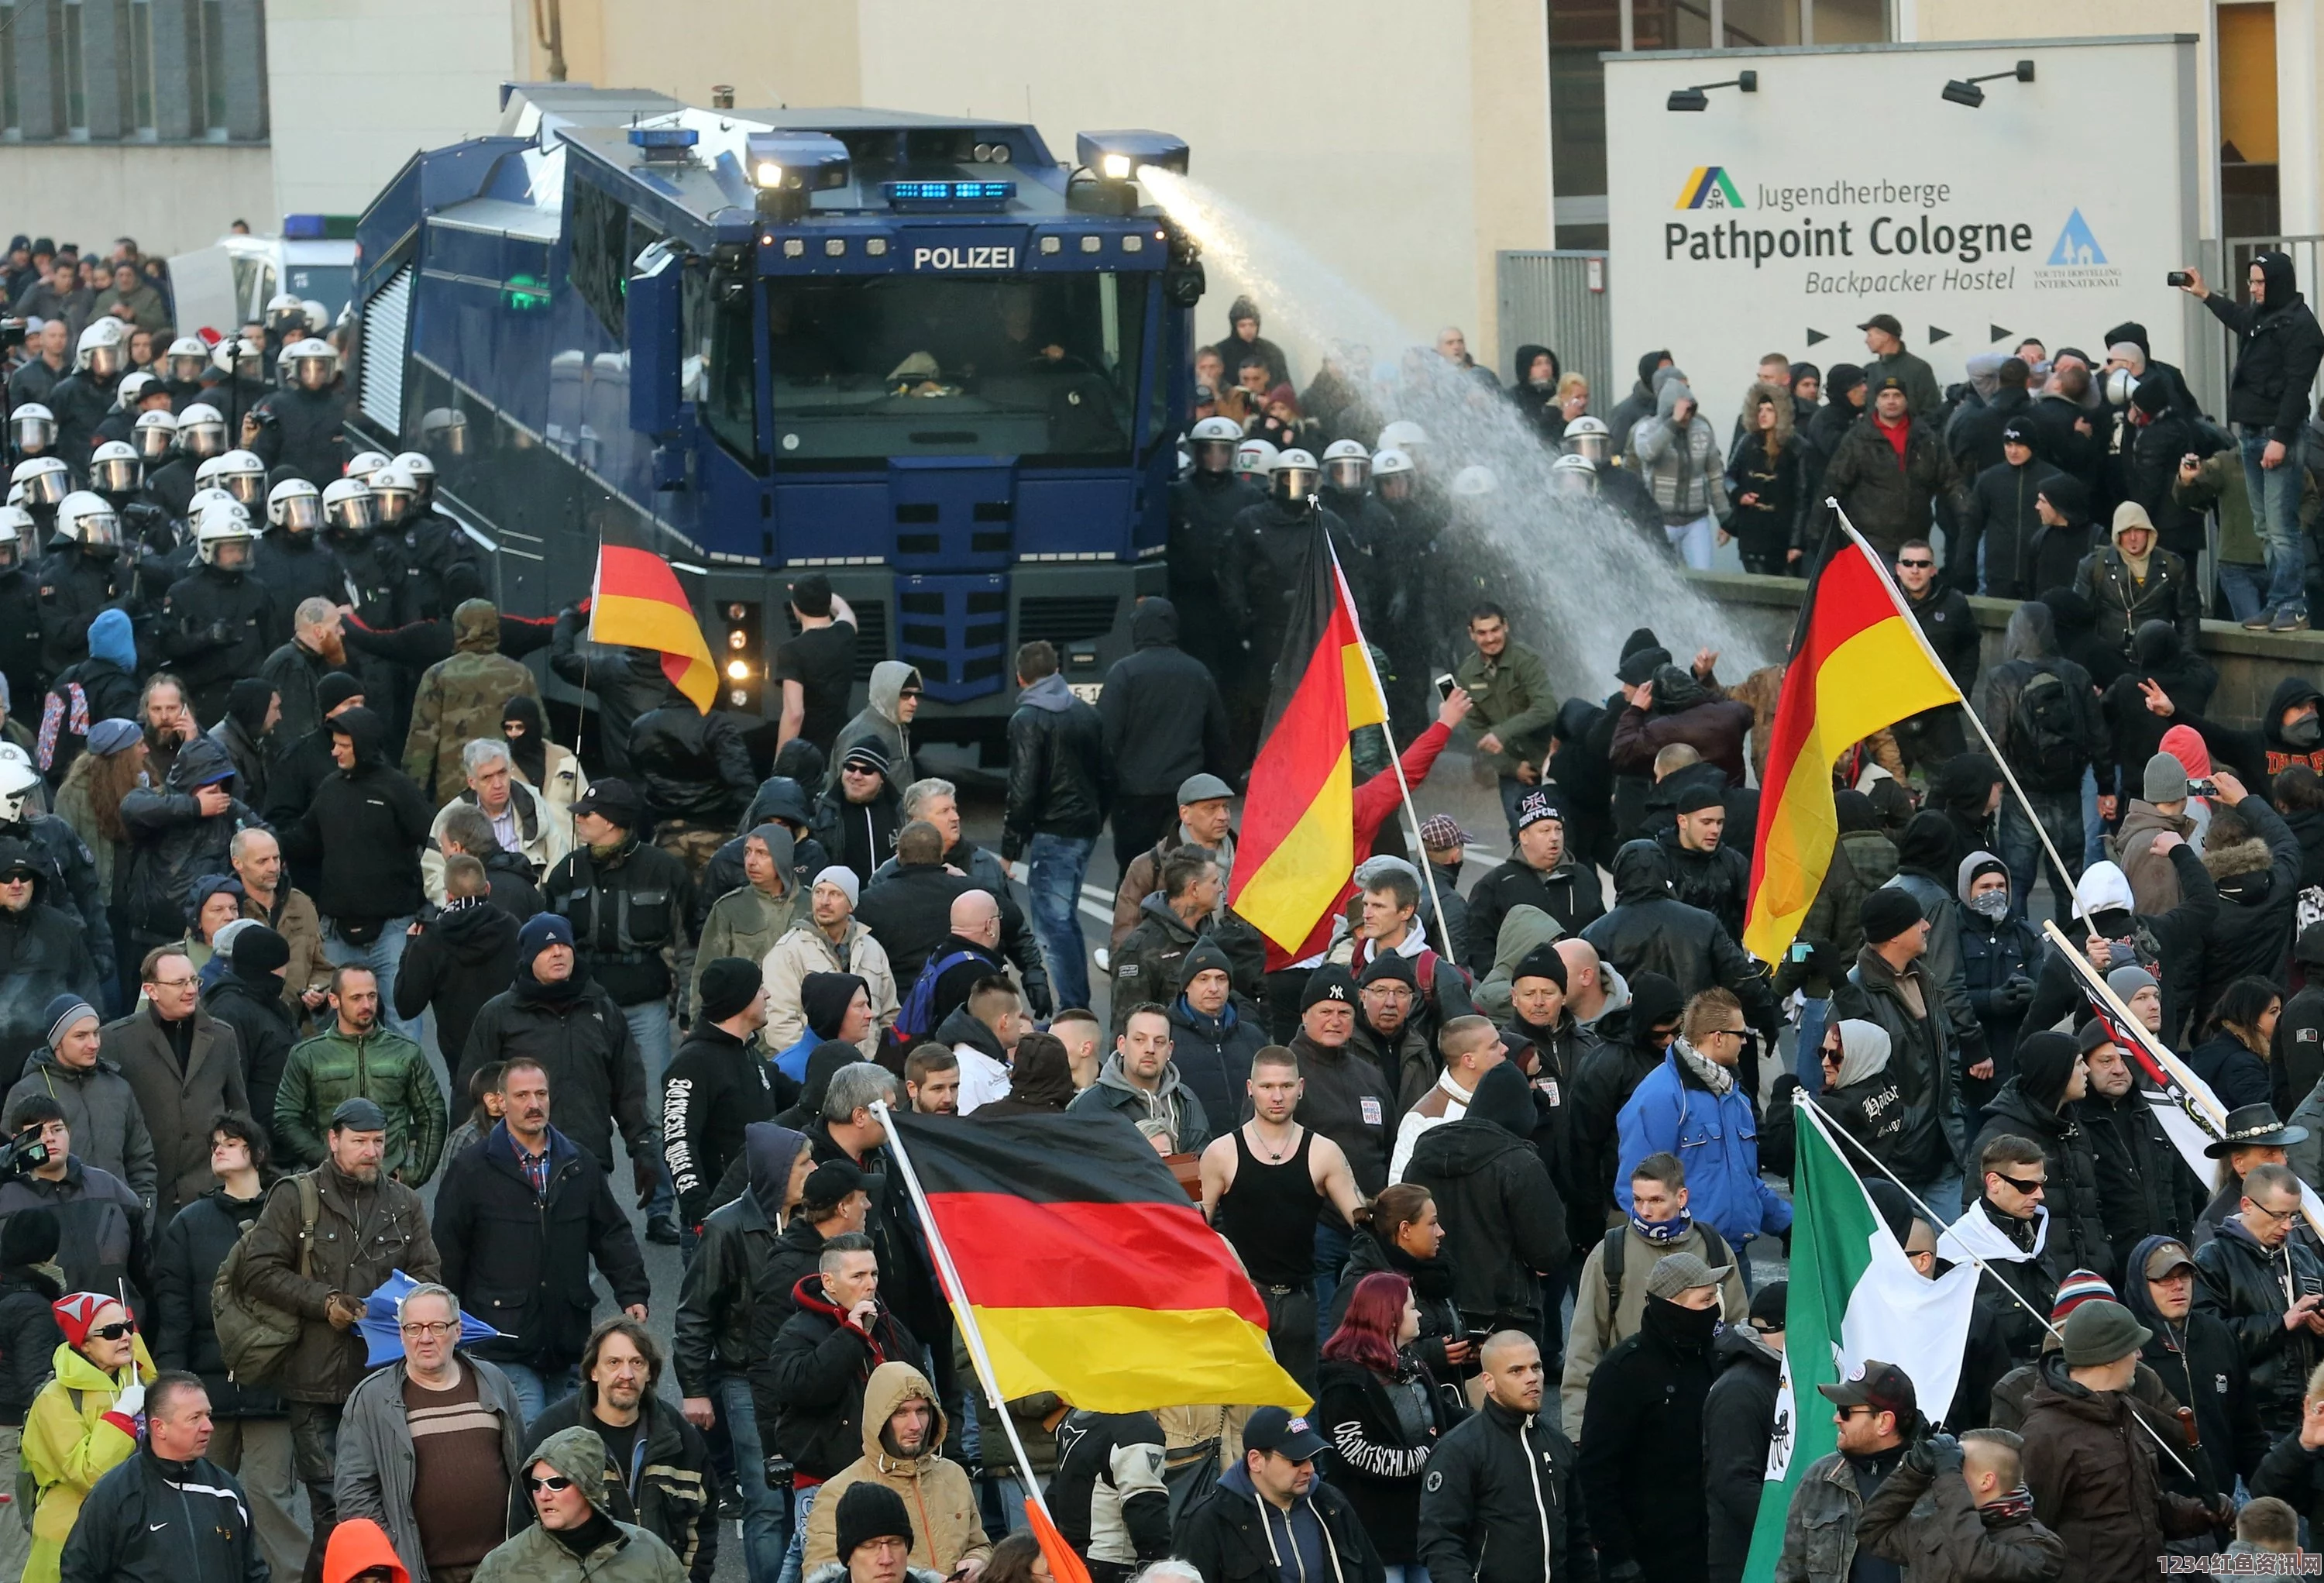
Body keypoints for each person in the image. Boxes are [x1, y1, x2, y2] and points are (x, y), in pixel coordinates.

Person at [235, 1096, 441, 1583]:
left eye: (379, 1142)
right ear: (333, 1141)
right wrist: (323, 1301)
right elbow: (257, 1269)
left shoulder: (404, 1203)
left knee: (388, 1509)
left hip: (386, 1383)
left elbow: (428, 1276)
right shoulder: (296, 1195)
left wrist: (398, 1307)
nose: (372, 1152)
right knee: (336, 1514)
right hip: (315, 1383)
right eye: (360, 1142)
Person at [431, 1058, 649, 1421]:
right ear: (500, 1102)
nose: (534, 1103)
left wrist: (633, 1291)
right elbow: (448, 1249)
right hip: (504, 1341)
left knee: (571, 1444)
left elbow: (611, 1232)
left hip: (567, 1339)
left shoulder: (579, 1163)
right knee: (532, 1441)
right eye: (522, 1095)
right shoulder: (472, 1169)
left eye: (541, 1093)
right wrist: (445, 1322)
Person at [149, 1115, 305, 1583]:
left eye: (232, 1143)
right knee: (198, 1502)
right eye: (214, 1143)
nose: (219, 1149)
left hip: (272, 1390)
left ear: (257, 1154)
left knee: (268, 1502)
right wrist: (169, 1390)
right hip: (204, 1394)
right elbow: (172, 1316)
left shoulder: (291, 1216)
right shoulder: (188, 1224)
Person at [542, 779, 691, 1240]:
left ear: (614, 821)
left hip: (645, 1005)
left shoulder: (665, 871)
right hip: (584, 1006)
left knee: (654, 1108)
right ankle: (581, 1203)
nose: (579, 819)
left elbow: (688, 946)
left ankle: (661, 1210)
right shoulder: (565, 872)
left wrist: (688, 1008)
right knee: (580, 1108)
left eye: (587, 814)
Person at [674, 1125, 806, 1583]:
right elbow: (695, 1314)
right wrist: (694, 1389)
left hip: (804, 1375)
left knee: (807, 1493)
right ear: (778, 1170)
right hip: (745, 1378)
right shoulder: (726, 1226)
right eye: (804, 1163)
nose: (814, 1170)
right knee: (766, 1499)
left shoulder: (812, 1220)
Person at [754, 1232, 923, 1583]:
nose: (870, 1285)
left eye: (874, 1274)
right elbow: (802, 1387)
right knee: (818, 1564)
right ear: (829, 1281)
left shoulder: (889, 1325)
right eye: (858, 1276)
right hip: (824, 1477)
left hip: (886, 1472)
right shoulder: (797, 1330)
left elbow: (919, 1387)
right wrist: (851, 1335)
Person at [332, 1278, 527, 1583]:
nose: (425, 1338)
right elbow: (354, 1494)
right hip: (419, 1572)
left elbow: (522, 1468)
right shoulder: (371, 1399)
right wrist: (395, 1552)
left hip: (502, 1568)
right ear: (401, 1334)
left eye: (437, 1326)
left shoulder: (494, 1381)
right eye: (414, 1328)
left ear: (457, 1331)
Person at [1198, 1046, 1364, 1395]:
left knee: (1300, 1404)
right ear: (1250, 1088)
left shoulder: (1323, 1151)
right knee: (1245, 1403)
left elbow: (1361, 1221)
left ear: (1301, 1087)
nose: (1277, 1096)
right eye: (1267, 1086)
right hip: (1244, 1299)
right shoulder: (1222, 1153)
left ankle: (1305, 1451)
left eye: (1286, 1086)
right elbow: (1198, 1228)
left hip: (1301, 1299)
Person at [2020, 1299, 2226, 1578]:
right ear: (2108, 1357)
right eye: (2132, 1347)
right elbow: (2029, 1533)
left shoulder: (2129, 1410)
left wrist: (2195, 1514)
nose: (2139, 1355)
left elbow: (2144, 1507)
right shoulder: (2044, 1433)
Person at [2175, 254, 2324, 631]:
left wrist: (2281, 439)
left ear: (2277, 282)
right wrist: (2205, 294)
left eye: (2259, 282)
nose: (2253, 289)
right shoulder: (2262, 315)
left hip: (2278, 435)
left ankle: (2292, 604)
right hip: (2252, 432)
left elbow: (2297, 388)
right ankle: (2278, 603)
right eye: (2251, 282)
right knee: (2263, 526)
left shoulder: (2303, 327)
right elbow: (2238, 317)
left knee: (2281, 526)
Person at [1559, 1150, 1746, 1437]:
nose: (1645, 1210)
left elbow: (1738, 1332)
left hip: (1703, 1412)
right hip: (1633, 1410)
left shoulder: (1713, 1248)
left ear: (1681, 1197)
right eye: (1638, 1199)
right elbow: (1584, 1346)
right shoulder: (1610, 1254)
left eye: (1656, 1200)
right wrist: (1577, 1430)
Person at [276, 707, 435, 1037]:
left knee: (402, 1025)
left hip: (393, 930)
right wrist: (265, 839)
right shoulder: (330, 789)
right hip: (337, 932)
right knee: (326, 1025)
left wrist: (432, 903)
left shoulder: (398, 788)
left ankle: (406, 1088)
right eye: (334, 744)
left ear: (362, 744)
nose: (334, 751)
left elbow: (432, 843)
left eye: (342, 745)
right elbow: (304, 840)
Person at [521, 1319, 717, 1583]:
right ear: (593, 1371)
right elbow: (524, 1527)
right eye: (614, 1362)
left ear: (650, 1373)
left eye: (637, 1363)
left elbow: (702, 1526)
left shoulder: (680, 1438)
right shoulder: (552, 1432)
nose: (626, 1374)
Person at [1614, 989, 1789, 1272]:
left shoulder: (1736, 1097)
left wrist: (1787, 1224)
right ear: (1718, 1038)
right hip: (1684, 1263)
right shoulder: (1659, 1096)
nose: (1745, 1042)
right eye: (1740, 1034)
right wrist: (1670, 1252)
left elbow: (1746, 1181)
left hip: (1733, 1258)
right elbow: (1633, 1188)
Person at [1578, 1252, 1723, 1582]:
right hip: (1648, 1554)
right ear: (1673, 1305)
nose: (1715, 1308)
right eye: (1706, 1299)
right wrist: (1617, 1554)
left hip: (1706, 1546)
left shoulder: (1713, 1358)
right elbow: (1596, 1471)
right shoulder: (1623, 1373)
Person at [55, 1368, 275, 1583]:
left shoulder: (225, 1490)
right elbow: (79, 1572)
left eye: (208, 1415)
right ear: (159, 1428)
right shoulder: (116, 1493)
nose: (209, 1427)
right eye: (194, 1418)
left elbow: (254, 1572)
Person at [1403, 1058, 1565, 1344]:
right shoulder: (1519, 1163)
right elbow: (1549, 1251)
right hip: (1506, 1313)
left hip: (1433, 1308)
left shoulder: (1425, 1155)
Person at [1414, 1331, 1588, 1583]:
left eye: (1536, 1367)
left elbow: (1578, 1537)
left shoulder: (1558, 1444)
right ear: (1489, 1381)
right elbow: (1441, 1543)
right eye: (1516, 1371)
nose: (1532, 1378)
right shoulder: (1458, 1450)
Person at [1313, 1272, 1450, 1581]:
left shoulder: (1411, 1362)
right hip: (1374, 1531)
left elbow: (1442, 1412)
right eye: (1412, 1308)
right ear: (1389, 1318)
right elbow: (1356, 1453)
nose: (1419, 1314)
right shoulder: (1346, 1382)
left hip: (1420, 1526)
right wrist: (1429, 1455)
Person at [101, 945, 249, 1228]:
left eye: (194, 980)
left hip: (210, 1188)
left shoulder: (222, 1035)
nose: (191, 989)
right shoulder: (117, 1040)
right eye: (180, 983)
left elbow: (239, 1109)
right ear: (151, 990)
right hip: (148, 1190)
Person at [799, 1361, 986, 1575]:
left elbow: (979, 1545)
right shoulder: (839, 1491)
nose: (915, 1425)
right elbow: (823, 1576)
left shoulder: (953, 1475)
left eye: (922, 1411)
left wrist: (977, 1561)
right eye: (901, 1413)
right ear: (879, 1419)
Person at [1170, 1403, 1380, 1583]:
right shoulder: (1209, 1520)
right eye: (1296, 1460)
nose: (1309, 1469)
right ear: (1256, 1461)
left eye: (1312, 1458)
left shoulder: (1331, 1504)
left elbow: (1373, 1575)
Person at [276, 965, 445, 1185]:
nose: (366, 1005)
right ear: (334, 1001)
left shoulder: (406, 1051)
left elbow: (433, 1115)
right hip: (329, 1181)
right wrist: (327, 1159)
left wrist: (415, 1175)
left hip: (390, 1180)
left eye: (372, 996)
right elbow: (286, 1118)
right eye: (356, 998)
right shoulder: (307, 1055)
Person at [2194, 1161, 2324, 1440]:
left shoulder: (2303, 1258)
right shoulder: (2213, 1260)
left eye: (2293, 1216)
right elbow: (2207, 1342)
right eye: (2278, 1216)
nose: (2288, 1226)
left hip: (2312, 1413)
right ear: (2246, 1205)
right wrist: (2280, 1324)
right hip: (2256, 1421)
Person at [1098, 599, 1229, 871]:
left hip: (1133, 796)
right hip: (1185, 794)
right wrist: (1218, 788)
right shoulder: (1197, 672)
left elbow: (1106, 738)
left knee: (1135, 872)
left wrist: (1105, 790)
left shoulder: (1123, 673)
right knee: (1186, 872)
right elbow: (1217, 736)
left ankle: (1137, 914)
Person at [473, 1425, 686, 1583]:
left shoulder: (648, 1550)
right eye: (535, 1484)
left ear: (588, 1487)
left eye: (557, 1483)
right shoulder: (502, 1566)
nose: (543, 1495)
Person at [5, 993, 156, 1207]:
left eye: (96, 1033)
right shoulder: (26, 1092)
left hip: (118, 1224)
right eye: (81, 1036)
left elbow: (141, 1163)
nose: (93, 1044)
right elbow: (11, 1168)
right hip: (54, 1225)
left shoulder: (119, 1088)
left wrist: (142, 1219)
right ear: (57, 1042)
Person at [1771, 1359, 1914, 1583]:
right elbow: (1791, 1572)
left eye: (1846, 1411)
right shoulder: (1818, 1480)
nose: (1836, 1418)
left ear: (1884, 1422)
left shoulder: (1936, 1482)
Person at [2075, 1025, 2202, 1278]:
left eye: (2125, 1059)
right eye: (2106, 1061)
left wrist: (2184, 1247)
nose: (2119, 1069)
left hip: (2167, 1261)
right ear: (2086, 1064)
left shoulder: (2158, 1114)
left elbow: (2181, 1192)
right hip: (2111, 1269)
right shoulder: (2074, 1123)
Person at [0, 1096, 149, 1304]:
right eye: (37, 1132)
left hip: (116, 1328)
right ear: (16, 1142)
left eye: (57, 1129)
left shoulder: (110, 1188)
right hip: (43, 1330)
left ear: (69, 1132)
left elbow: (142, 1271)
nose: (49, 1138)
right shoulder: (5, 1200)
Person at [763, 869, 898, 1062]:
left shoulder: (871, 948)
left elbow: (889, 1014)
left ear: (851, 905)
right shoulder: (789, 950)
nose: (824, 901)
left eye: (835, 894)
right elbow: (780, 1023)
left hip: (868, 1070)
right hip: (815, 1070)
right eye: (819, 892)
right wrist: (816, 1064)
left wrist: (880, 1060)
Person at [1460, 794, 1602, 972]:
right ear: (1524, 836)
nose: (1555, 837)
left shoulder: (1583, 877)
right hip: (1521, 993)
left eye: (1558, 829)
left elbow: (1600, 933)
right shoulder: (1495, 885)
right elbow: (1479, 945)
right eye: (1545, 831)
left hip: (1580, 984)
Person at [1452, 606, 1559, 839]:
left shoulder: (1525, 660)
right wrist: (1512, 767)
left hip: (1549, 761)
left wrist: (1501, 732)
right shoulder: (1468, 674)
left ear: (1506, 626)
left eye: (1495, 630)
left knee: (1559, 830)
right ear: (1471, 634)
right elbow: (1475, 729)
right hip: (1512, 768)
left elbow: (1547, 708)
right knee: (1520, 833)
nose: (1490, 639)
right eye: (1482, 633)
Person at [1703, 1285, 1786, 1583]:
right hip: (1746, 1558)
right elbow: (1734, 1483)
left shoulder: (1780, 1376)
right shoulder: (1740, 1390)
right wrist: (1791, 1528)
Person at [420, 741, 569, 907]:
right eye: (487, 777)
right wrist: (458, 907)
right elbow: (433, 873)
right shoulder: (450, 817)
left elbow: (558, 858)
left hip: (527, 905)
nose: (498, 784)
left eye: (502, 773)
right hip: (471, 914)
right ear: (472, 782)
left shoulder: (533, 803)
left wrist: (543, 905)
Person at [1066, 1003, 1212, 1155]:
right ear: (1122, 1044)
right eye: (1139, 1039)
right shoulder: (1086, 1106)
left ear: (1170, 1049)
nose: (1150, 1049)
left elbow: (1202, 1161)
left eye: (1159, 1042)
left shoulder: (1186, 1100)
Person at [772, 575, 859, 758]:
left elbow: (794, 714)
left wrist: (781, 763)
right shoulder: (845, 634)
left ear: (796, 607)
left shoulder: (791, 651)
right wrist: (822, 593)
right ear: (827, 602)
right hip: (841, 746)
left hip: (810, 752)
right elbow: (844, 609)